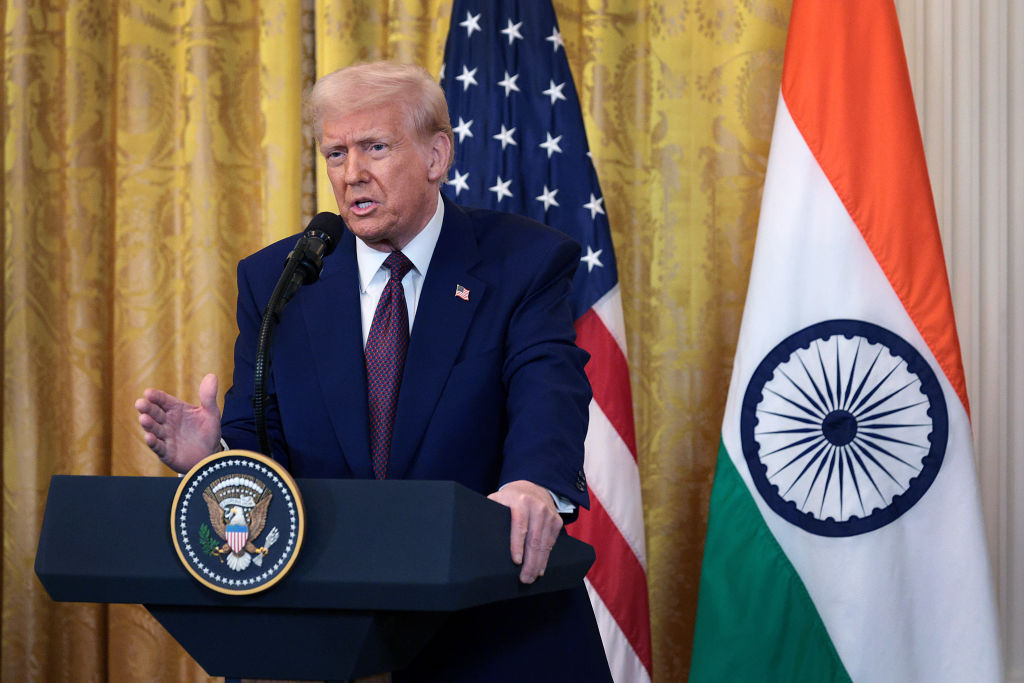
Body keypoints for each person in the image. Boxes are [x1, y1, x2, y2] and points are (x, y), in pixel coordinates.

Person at [135, 61, 610, 682]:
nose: (352, 173)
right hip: (326, 638)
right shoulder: (279, 280)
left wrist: (533, 485)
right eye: (335, 153)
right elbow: (263, 444)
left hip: (492, 627)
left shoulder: (523, 261)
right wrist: (216, 458)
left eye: (375, 148)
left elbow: (549, 387)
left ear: (437, 154)